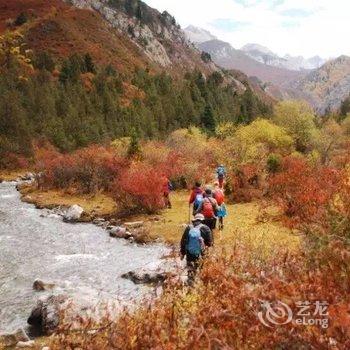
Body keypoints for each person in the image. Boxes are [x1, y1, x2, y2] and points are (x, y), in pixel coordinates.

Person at [180, 213, 213, 284]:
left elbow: (183, 241)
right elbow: (210, 243)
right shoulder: (206, 228)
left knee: (191, 271)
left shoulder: (189, 228)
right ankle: (201, 286)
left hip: (189, 253)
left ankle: (190, 285)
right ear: (202, 220)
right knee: (202, 270)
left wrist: (182, 253)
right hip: (202, 253)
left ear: (194, 220)